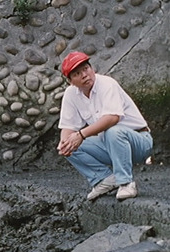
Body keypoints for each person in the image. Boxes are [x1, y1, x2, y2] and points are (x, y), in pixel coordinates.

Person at [57, 51, 153, 201]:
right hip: (110, 146)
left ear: (92, 68)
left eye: (86, 69)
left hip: (139, 141)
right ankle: (104, 179)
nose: (84, 75)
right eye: (77, 73)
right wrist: (65, 143)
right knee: (69, 143)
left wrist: (81, 135)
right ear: (70, 81)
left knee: (112, 131)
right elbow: (68, 126)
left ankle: (126, 183)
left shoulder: (107, 84)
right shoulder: (70, 94)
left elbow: (112, 118)